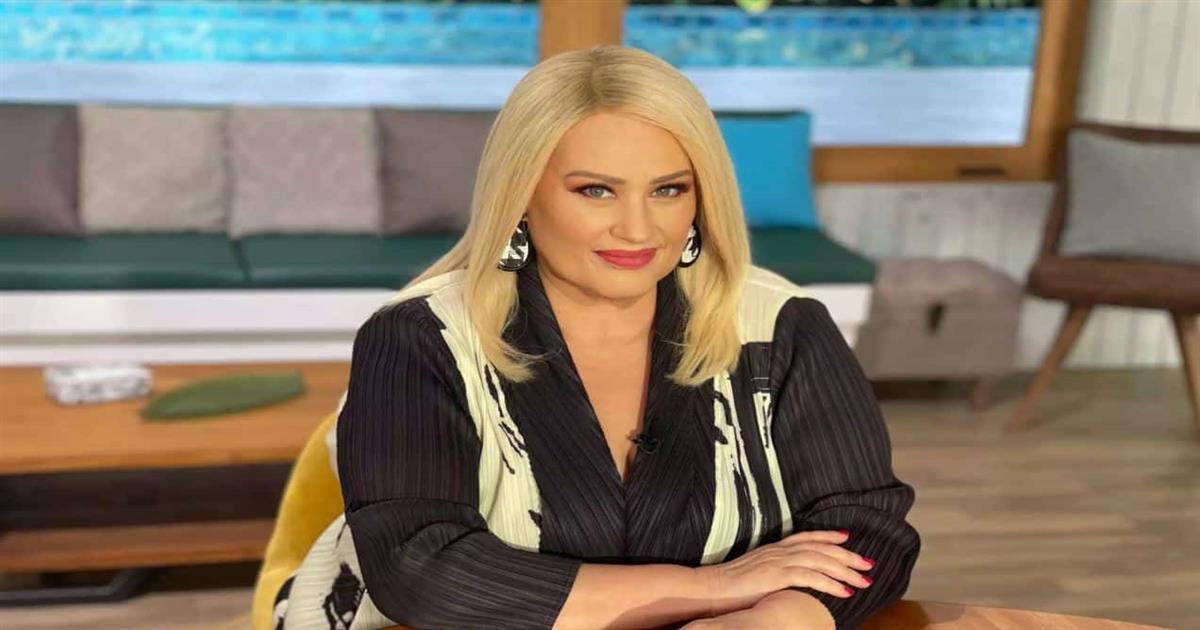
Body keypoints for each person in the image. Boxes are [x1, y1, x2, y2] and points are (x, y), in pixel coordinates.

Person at [272, 44, 919, 630]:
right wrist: (715, 587)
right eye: (596, 191)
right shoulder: (419, 337)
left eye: (668, 189)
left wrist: (776, 619)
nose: (638, 229)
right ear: (521, 194)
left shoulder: (782, 326)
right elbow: (418, 568)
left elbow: (867, 528)